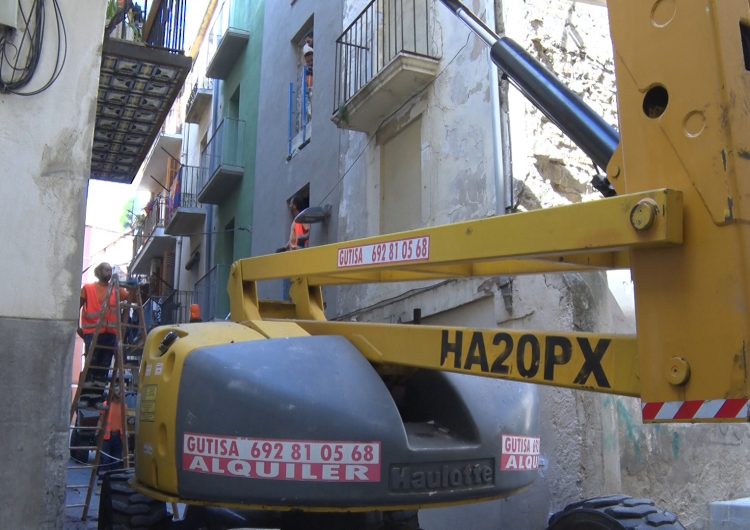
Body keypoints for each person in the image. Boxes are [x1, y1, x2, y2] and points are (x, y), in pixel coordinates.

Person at [78, 263, 129, 389]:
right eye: (106, 270)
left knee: (104, 366)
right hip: (92, 332)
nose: (109, 272)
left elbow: (130, 297)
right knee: (92, 364)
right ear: (99, 272)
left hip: (110, 333)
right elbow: (76, 306)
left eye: (110, 270)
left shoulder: (116, 290)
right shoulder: (88, 288)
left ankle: (97, 398)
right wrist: (76, 327)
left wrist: (136, 287)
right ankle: (86, 397)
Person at [99, 389, 126, 475]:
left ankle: (112, 478)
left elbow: (124, 421)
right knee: (106, 459)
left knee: (116, 459)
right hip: (107, 436)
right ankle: (102, 478)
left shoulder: (123, 406)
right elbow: (101, 419)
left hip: (118, 436)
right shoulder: (106, 405)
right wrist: (98, 431)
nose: (121, 396)